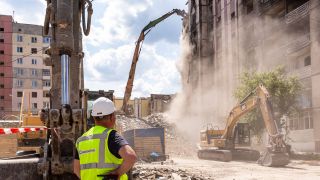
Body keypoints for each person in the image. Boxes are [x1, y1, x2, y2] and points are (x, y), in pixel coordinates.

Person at [74, 97, 137, 180]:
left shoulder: (81, 140)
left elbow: (76, 168)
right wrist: (117, 173)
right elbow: (131, 157)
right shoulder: (111, 136)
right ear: (111, 117)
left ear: (94, 117)